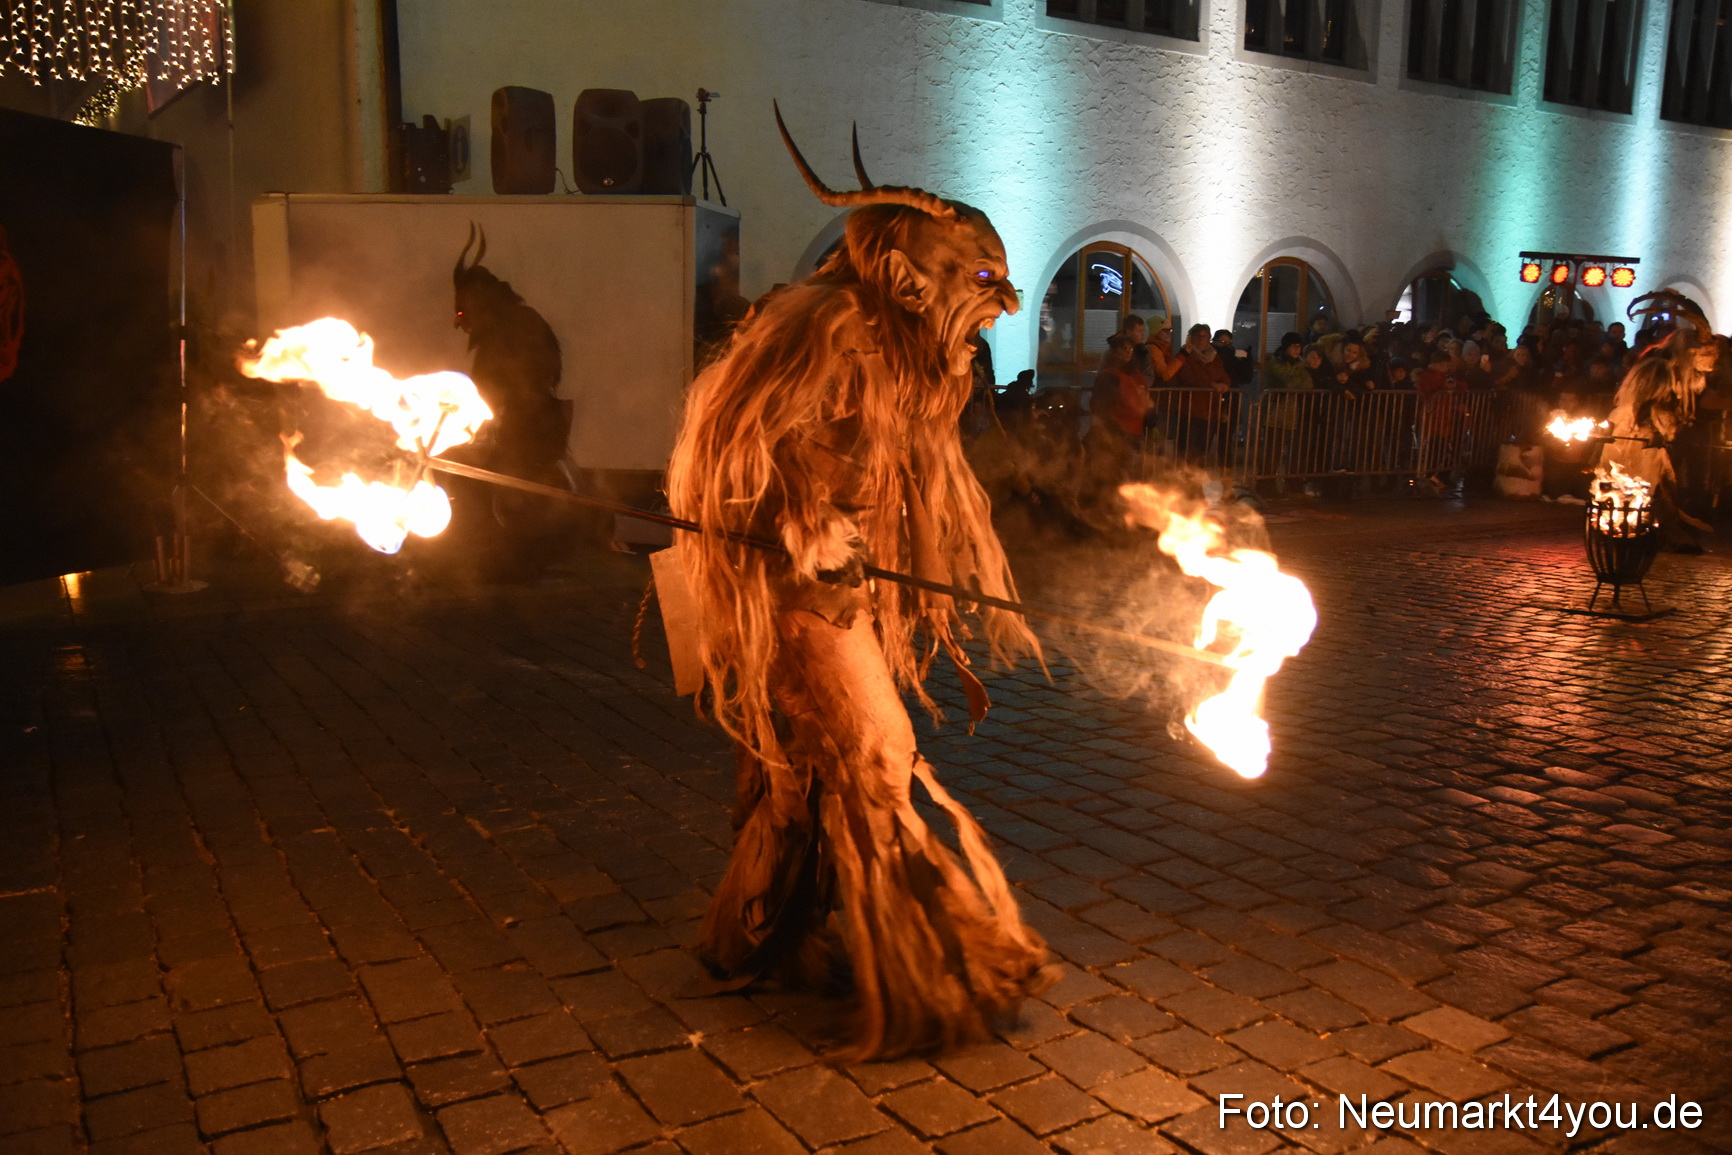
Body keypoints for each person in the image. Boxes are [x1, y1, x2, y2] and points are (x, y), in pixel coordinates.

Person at [665, 112, 1055, 1059]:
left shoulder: (909, 351)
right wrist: (805, 517)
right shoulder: (827, 323)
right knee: (881, 751)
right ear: (906, 271)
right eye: (981, 279)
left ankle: (765, 935)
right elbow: (734, 443)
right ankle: (919, 975)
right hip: (797, 590)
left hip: (848, 586)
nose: (999, 306)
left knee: (804, 772)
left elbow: (898, 467)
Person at [1175, 322, 1230, 460]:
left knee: (1202, 451)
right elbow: (1189, 377)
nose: (1201, 339)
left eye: (1204, 336)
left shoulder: (1214, 357)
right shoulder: (1185, 355)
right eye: (1198, 336)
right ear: (1191, 338)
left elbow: (1223, 375)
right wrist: (1212, 384)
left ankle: (1197, 479)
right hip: (1191, 410)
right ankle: (1183, 480)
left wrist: (1224, 384)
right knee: (1187, 451)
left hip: (1210, 410)